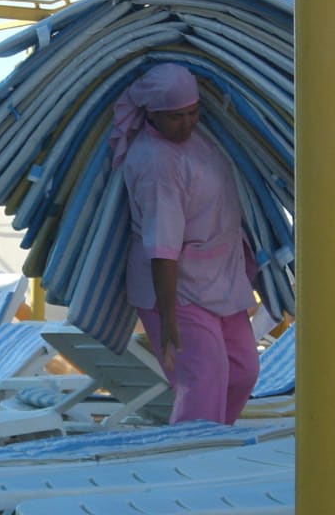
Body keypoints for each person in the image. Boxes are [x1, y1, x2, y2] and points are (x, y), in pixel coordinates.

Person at [110, 62, 259, 424]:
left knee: (242, 371)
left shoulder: (201, 139)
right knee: (202, 377)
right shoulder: (156, 163)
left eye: (193, 112)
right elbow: (161, 246)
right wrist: (168, 316)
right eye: (176, 117)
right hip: (177, 289)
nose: (188, 122)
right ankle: (193, 454)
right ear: (153, 115)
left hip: (220, 277)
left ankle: (214, 444)